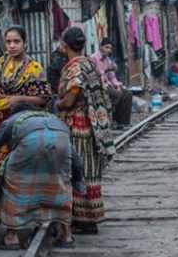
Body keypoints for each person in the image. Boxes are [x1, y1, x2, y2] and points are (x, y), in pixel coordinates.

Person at [0, 104, 76, 250]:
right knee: (60, 183)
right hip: (61, 141)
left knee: (15, 184)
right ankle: (66, 235)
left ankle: (11, 237)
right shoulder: (54, 119)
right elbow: (75, 158)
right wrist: (78, 181)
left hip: (29, 144)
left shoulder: (13, 120)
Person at [0, 26, 51, 222]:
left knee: (23, 170)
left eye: (16, 41)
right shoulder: (2, 63)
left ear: (25, 43)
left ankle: (27, 214)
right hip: (0, 122)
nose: (11, 46)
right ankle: (3, 214)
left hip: (24, 125)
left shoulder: (34, 68)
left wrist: (18, 99)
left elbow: (44, 99)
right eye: (8, 42)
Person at [56, 27, 113, 235]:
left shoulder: (75, 68)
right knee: (89, 170)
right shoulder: (90, 63)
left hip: (78, 124)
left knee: (78, 170)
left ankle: (84, 220)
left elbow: (71, 97)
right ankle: (90, 217)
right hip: (95, 125)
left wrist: (58, 104)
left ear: (64, 45)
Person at [91, 38, 133, 128]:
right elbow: (98, 75)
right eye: (107, 47)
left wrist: (117, 85)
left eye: (110, 48)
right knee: (117, 95)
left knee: (127, 94)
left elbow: (112, 76)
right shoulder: (93, 58)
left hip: (109, 85)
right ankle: (113, 119)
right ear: (101, 47)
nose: (109, 50)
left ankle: (124, 122)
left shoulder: (108, 60)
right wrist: (107, 70)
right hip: (100, 86)